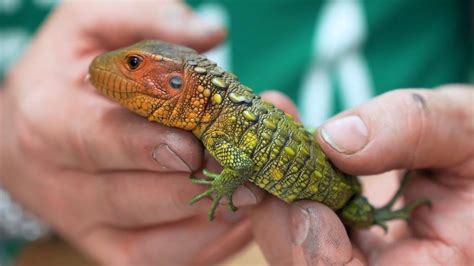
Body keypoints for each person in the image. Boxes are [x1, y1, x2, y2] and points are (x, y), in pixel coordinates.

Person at [0, 1, 472, 265]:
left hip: (392, 176)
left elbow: (240, 164)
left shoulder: (221, 130)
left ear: (178, 81)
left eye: (137, 64)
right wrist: (11, 179)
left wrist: (219, 184)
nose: (128, 68)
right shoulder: (210, 124)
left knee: (356, 210)